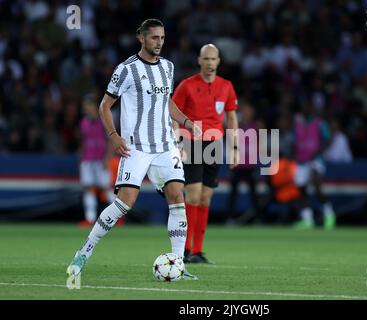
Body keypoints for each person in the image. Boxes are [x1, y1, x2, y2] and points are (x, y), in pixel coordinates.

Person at [67, 19, 202, 280]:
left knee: (177, 197)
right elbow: (104, 106)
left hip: (165, 145)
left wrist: (185, 121)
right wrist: (114, 136)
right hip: (136, 147)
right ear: (141, 37)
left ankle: (178, 263)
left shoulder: (168, 67)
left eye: (162, 38)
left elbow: (167, 103)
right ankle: (84, 251)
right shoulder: (126, 70)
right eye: (154, 38)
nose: (159, 43)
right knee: (124, 203)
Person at [172, 43, 239, 264]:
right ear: (199, 61)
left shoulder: (226, 86)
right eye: (206, 59)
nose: (210, 63)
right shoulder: (187, 86)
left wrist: (235, 148)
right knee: (192, 195)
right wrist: (177, 141)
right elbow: (173, 113)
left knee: (205, 197)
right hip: (192, 142)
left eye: (213, 59)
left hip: (214, 144)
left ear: (219, 61)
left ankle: (198, 251)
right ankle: (185, 248)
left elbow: (231, 118)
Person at [293, 102, 336, 230]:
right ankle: (307, 220)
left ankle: (329, 214)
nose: (306, 110)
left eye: (309, 108)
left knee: (316, 184)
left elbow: (327, 139)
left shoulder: (320, 123)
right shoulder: (298, 124)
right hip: (301, 161)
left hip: (316, 160)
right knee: (301, 189)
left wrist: (317, 153)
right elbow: (296, 142)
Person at [78, 94, 116, 227]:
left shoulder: (103, 120)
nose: (86, 108)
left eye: (88, 106)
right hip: (87, 159)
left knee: (106, 188)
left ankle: (117, 217)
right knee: (88, 188)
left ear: (95, 106)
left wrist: (108, 159)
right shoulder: (84, 122)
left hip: (101, 160)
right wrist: (82, 158)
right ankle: (90, 218)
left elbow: (110, 141)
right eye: (85, 106)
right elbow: (83, 140)